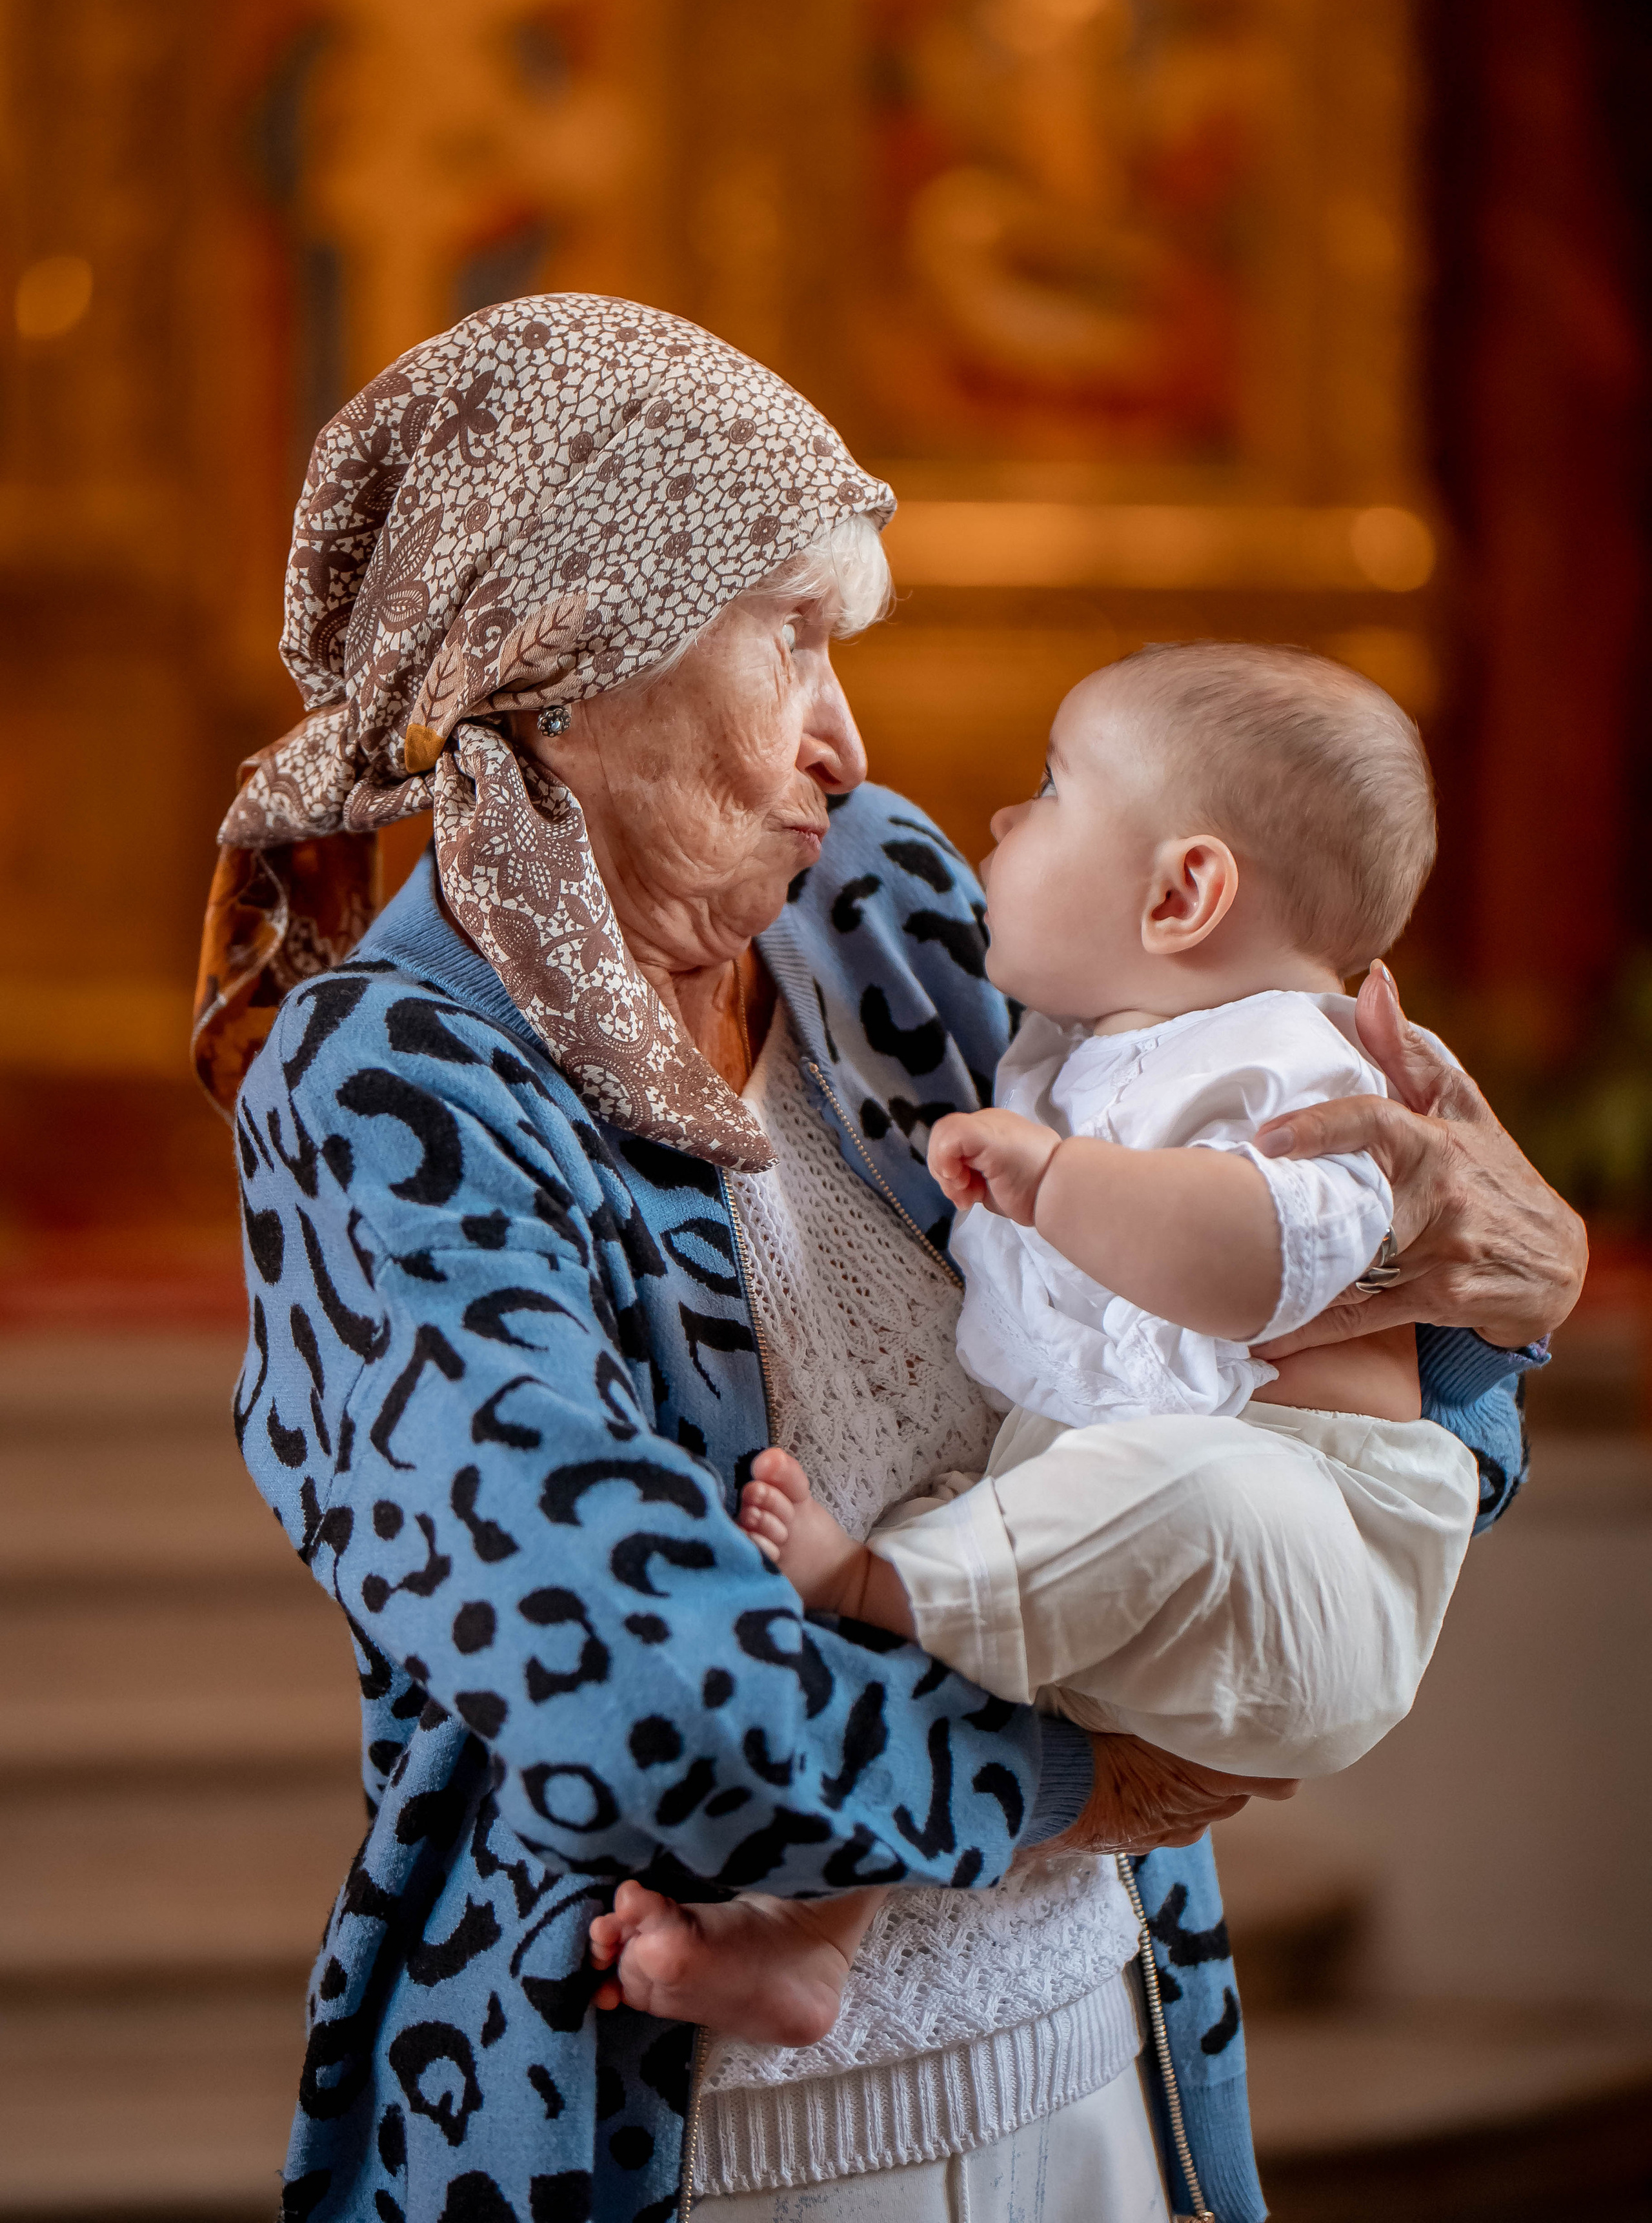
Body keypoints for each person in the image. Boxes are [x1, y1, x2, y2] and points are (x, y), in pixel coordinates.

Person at [196, 294, 1582, 2223]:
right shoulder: (391, 1086)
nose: (847, 738)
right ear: (568, 659)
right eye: (793, 638)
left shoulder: (880, 902)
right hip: (683, 2138)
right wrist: (1084, 1780)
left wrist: (1482, 1314)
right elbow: (637, 1699)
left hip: (1107, 2054)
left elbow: (1329, 1305)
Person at [587, 643, 1486, 2047]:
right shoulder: (1068, 1048)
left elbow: (1271, 1249)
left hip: (1304, 1541)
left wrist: (1061, 1185)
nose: (998, 828)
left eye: (1049, 793)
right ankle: (809, 1941)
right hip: (1108, 1542)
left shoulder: (1292, 1061)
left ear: (1180, 892)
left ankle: (882, 1579)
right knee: (959, 1589)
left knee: (1151, 1499)